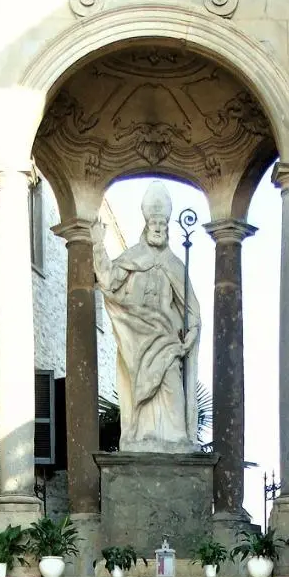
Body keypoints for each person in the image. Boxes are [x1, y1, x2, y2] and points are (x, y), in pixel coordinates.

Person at [92, 182, 201, 453]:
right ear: (146, 224)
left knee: (172, 390)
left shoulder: (176, 265)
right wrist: (97, 245)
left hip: (167, 342)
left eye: (162, 223)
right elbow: (107, 280)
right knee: (140, 395)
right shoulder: (133, 257)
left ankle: (176, 441)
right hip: (138, 341)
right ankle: (142, 438)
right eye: (153, 222)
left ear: (168, 228)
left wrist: (192, 331)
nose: (157, 227)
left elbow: (191, 310)